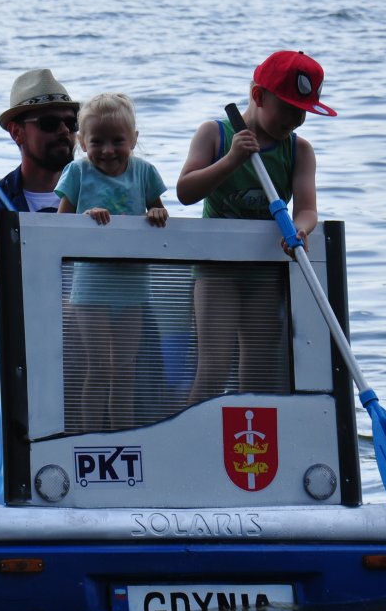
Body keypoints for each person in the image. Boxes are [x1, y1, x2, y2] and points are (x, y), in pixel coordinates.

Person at [175, 50, 337, 403]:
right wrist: (232, 160)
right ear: (259, 96)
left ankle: (251, 454)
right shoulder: (215, 134)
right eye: (289, 108)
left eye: (303, 112)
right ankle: (192, 440)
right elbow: (185, 191)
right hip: (215, 269)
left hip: (265, 270)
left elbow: (307, 208)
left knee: (259, 369)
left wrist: (301, 230)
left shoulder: (299, 150)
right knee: (215, 366)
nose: (296, 119)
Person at [55, 92, 168, 430]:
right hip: (91, 287)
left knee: (124, 370)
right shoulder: (77, 171)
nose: (107, 150)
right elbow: (57, 224)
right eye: (97, 141)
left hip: (132, 285)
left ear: (133, 139)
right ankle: (91, 435)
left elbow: (158, 210)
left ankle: (123, 433)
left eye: (117, 140)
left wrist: (158, 212)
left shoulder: (144, 172)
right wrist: (85, 216)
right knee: (99, 367)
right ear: (82, 142)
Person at [0, 69, 80, 223]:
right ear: (16, 132)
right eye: (50, 123)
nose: (64, 130)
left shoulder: (99, 196)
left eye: (71, 122)